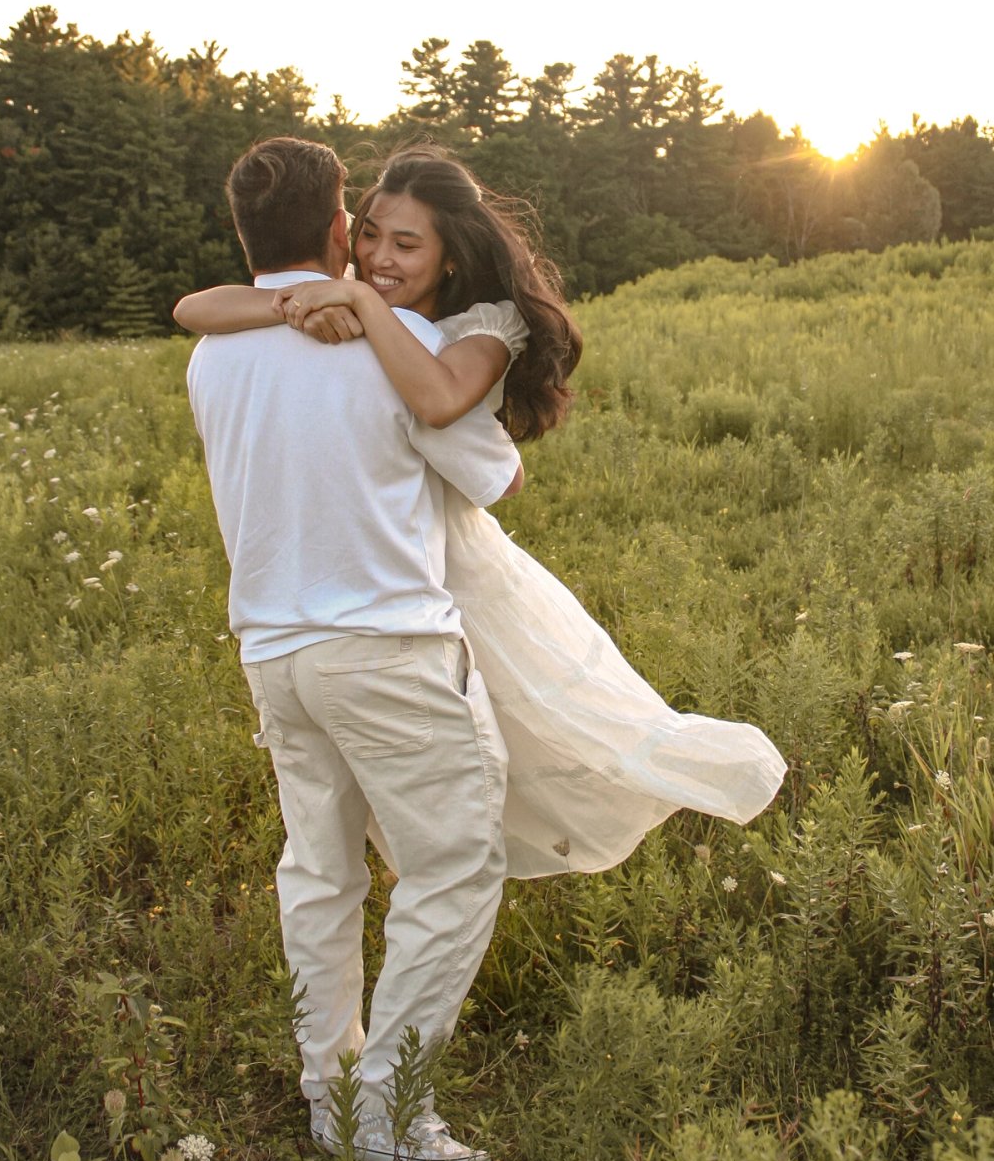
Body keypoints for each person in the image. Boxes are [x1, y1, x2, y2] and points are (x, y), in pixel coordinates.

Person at [177, 145, 787, 880]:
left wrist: (362, 309)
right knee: (440, 817)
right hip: (385, 580)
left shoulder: (475, 329)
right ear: (345, 230)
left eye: (406, 244)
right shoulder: (339, 299)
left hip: (419, 569)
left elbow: (458, 424)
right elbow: (192, 307)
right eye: (369, 234)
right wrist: (296, 303)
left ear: (451, 256)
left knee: (532, 739)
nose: (378, 257)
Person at [185, 137, 526, 1161]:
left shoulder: (214, 351)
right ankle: (391, 1114)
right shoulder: (400, 342)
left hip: (272, 651)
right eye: (362, 226)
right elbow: (490, 474)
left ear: (246, 235)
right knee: (453, 866)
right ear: (339, 229)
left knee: (320, 870)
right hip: (383, 645)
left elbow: (202, 311)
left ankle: (330, 1095)